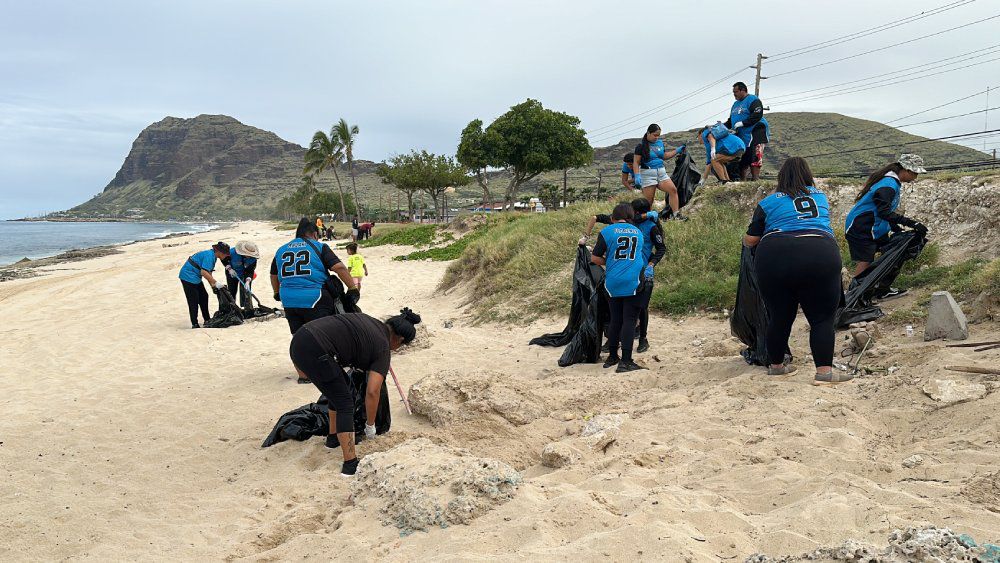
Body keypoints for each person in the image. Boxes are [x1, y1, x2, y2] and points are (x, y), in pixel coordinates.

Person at [743, 157, 849, 386]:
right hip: (819, 252)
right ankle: (824, 373)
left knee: (779, 316)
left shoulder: (768, 202)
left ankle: (777, 367)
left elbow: (751, 240)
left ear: (781, 177)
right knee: (821, 319)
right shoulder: (820, 196)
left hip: (775, 255)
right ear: (808, 175)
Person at [289, 308, 422, 476]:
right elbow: (372, 392)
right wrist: (370, 427)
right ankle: (350, 464)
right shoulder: (382, 347)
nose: (396, 349)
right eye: (400, 346)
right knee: (345, 403)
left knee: (339, 388)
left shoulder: (371, 322)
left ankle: (332, 440)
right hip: (317, 350)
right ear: (400, 339)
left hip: (301, 340)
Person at [271, 218, 360, 382]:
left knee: (298, 336)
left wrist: (277, 293)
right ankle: (327, 370)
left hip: (288, 299)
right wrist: (352, 289)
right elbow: (339, 267)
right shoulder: (318, 247)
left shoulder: (281, 250)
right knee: (323, 335)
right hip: (315, 297)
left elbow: (274, 274)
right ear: (313, 233)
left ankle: (303, 376)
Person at [582, 199, 664, 353]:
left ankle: (641, 339)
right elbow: (597, 218)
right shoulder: (631, 226)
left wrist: (651, 265)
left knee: (639, 309)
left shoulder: (650, 227)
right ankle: (617, 345)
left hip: (641, 270)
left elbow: (661, 248)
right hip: (626, 270)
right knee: (624, 315)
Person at [844, 155, 928, 292]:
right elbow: (884, 212)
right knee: (866, 260)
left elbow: (884, 212)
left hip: (874, 226)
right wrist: (912, 224)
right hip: (861, 226)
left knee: (893, 252)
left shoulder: (891, 182)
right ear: (906, 170)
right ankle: (855, 294)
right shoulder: (888, 185)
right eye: (915, 173)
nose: (916, 177)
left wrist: (897, 229)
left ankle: (881, 290)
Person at [591, 203, 649, 373]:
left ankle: (612, 356)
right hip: (633, 280)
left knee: (616, 319)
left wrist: (609, 262)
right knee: (629, 320)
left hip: (612, 281)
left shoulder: (607, 231)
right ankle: (626, 361)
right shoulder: (638, 232)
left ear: (612, 217)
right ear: (630, 216)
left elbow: (595, 258)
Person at [632, 123, 686, 218]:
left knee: (673, 190)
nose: (656, 137)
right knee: (649, 201)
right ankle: (645, 219)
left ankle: (676, 215)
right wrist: (637, 175)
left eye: (658, 135)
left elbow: (664, 156)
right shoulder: (640, 146)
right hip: (648, 174)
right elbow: (636, 162)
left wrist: (677, 150)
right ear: (648, 133)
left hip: (661, 173)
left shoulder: (660, 143)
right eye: (655, 135)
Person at [725, 82, 770, 181]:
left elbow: (757, 115)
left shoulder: (753, 100)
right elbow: (731, 120)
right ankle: (742, 181)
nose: (734, 94)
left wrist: (742, 123)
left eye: (736, 92)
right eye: (733, 92)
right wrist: (723, 126)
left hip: (756, 131)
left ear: (743, 90)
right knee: (743, 158)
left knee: (755, 155)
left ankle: (755, 179)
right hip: (742, 135)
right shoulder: (735, 105)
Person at [178, 242, 230, 329]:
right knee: (193, 301)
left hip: (195, 277)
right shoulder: (209, 256)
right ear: (220, 252)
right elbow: (203, 272)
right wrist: (216, 283)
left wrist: (213, 286)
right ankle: (194, 324)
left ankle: (207, 319)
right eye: (226, 254)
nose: (226, 256)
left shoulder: (213, 256)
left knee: (204, 297)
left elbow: (208, 272)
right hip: (187, 276)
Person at [225, 240, 260, 309]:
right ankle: (232, 308)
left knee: (246, 291)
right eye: (248, 254)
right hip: (231, 273)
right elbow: (224, 259)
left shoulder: (253, 259)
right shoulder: (232, 252)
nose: (249, 256)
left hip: (244, 274)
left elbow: (250, 271)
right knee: (232, 291)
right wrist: (229, 268)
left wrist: (248, 280)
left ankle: (246, 308)